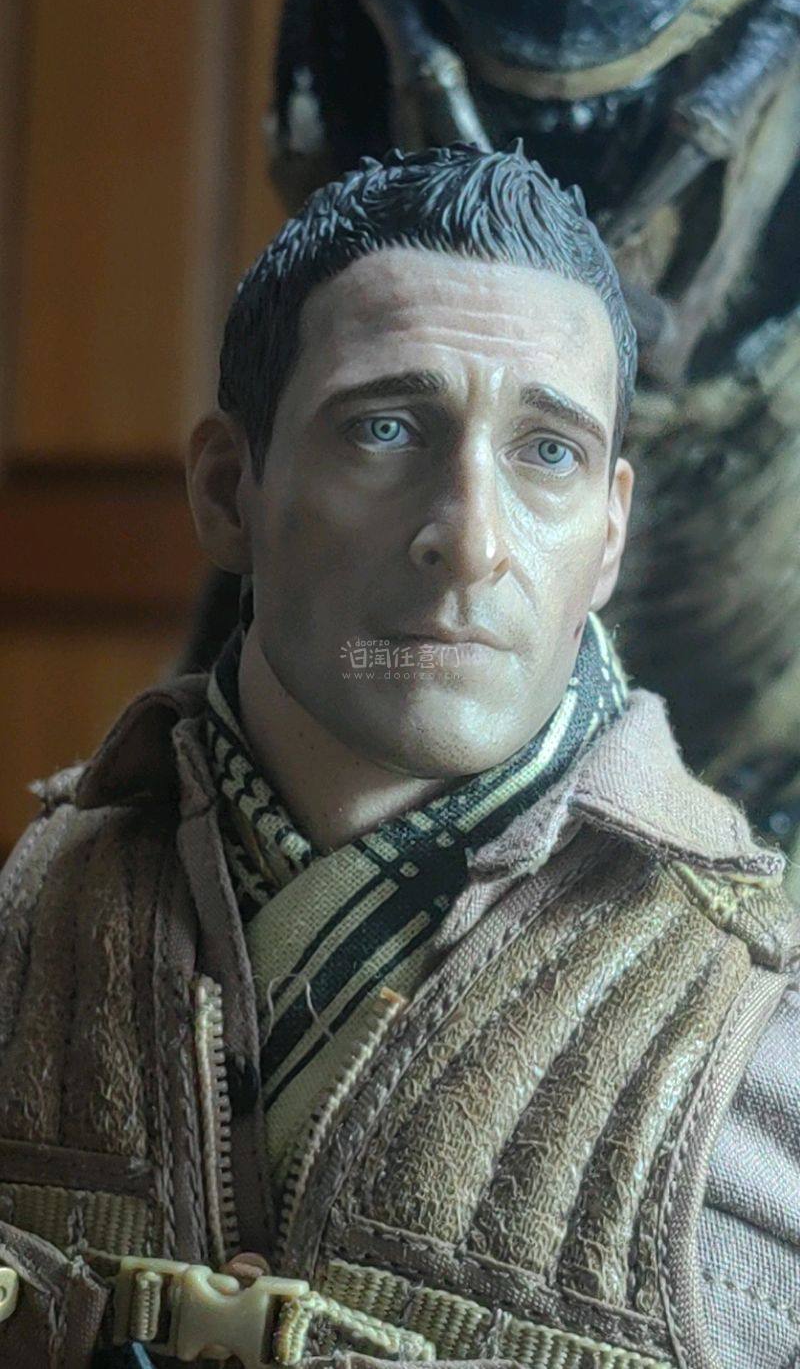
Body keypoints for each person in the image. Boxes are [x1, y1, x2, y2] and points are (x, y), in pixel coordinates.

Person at [0, 144, 797, 1369]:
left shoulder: (762, 1034)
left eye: (546, 452)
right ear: (229, 490)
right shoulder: (32, 920)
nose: (468, 540)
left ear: (607, 535)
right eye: (383, 429)